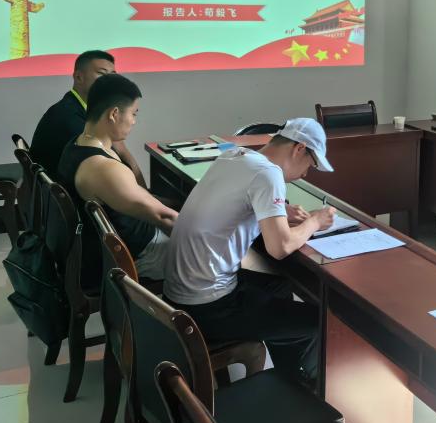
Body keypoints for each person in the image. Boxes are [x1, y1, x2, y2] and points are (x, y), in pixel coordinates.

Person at [163, 118, 335, 387]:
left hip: (179, 293)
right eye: (310, 165)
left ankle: (288, 375)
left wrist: (279, 211)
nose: (305, 174)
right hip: (209, 306)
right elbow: (280, 248)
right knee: (317, 321)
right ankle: (302, 387)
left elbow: (234, 200)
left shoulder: (234, 155)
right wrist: (315, 221)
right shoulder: (269, 174)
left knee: (279, 286)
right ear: (299, 149)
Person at [58, 74, 176, 283]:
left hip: (128, 241)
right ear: (114, 114)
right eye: (133, 113)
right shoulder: (103, 169)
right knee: (226, 259)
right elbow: (165, 218)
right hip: (141, 255)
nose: (134, 121)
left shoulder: (77, 144)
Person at [31, 49, 147, 185]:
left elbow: (119, 151)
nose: (110, 82)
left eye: (113, 75)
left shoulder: (80, 108)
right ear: (79, 77)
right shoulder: (69, 117)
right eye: (102, 74)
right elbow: (114, 170)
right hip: (65, 192)